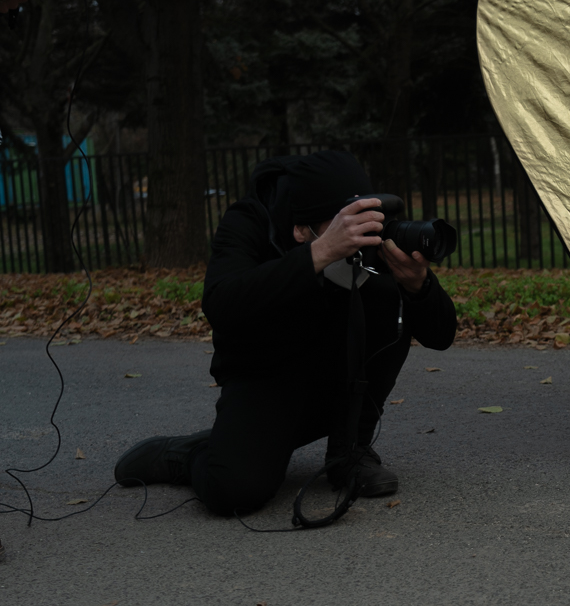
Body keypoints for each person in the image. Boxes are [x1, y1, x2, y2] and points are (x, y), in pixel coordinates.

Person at [113, 150, 458, 515]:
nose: (356, 237)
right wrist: (319, 254)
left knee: (388, 295)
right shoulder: (248, 222)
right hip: (266, 372)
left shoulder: (367, 245)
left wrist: (419, 287)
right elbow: (221, 304)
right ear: (300, 229)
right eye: (342, 226)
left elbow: (441, 335)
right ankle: (190, 453)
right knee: (235, 491)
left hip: (334, 375)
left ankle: (349, 451)